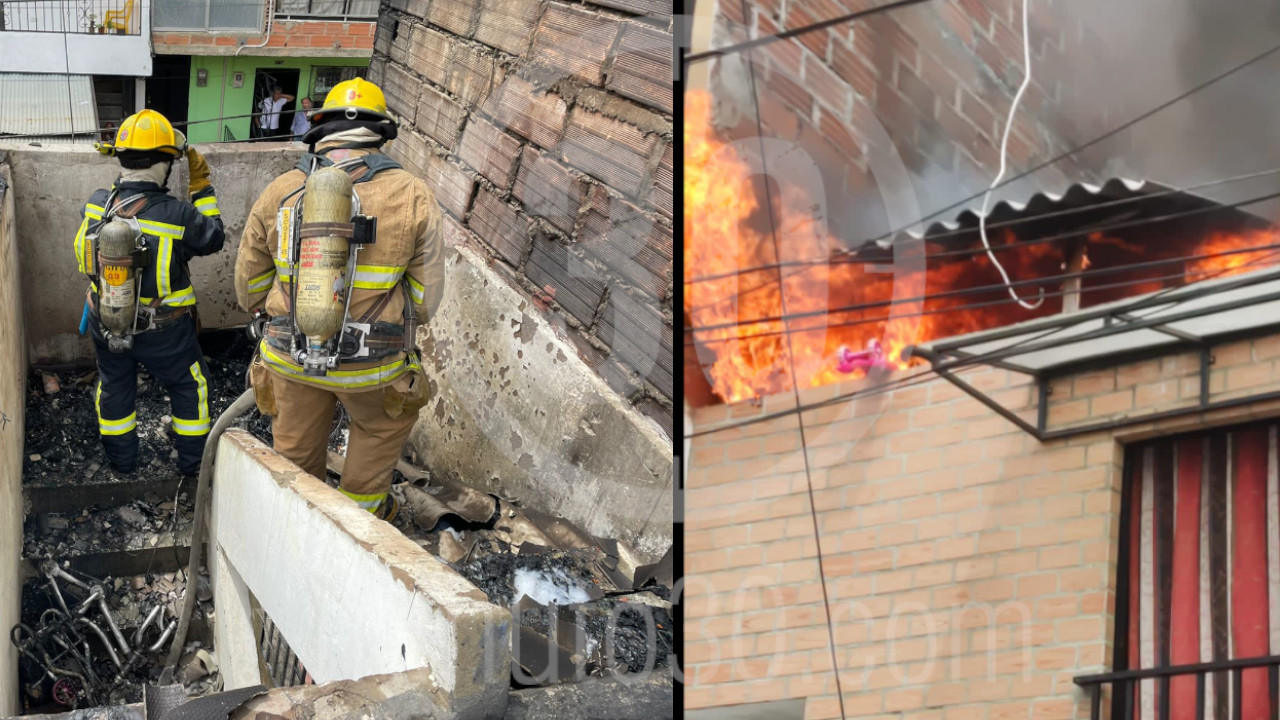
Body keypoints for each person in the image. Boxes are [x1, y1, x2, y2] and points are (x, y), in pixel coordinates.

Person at [235, 77, 443, 521]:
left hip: (290, 357)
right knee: (377, 438)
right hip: (375, 365)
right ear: (380, 133)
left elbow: (249, 288)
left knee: (293, 457)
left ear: (321, 129)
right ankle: (358, 526)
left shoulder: (281, 190)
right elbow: (425, 303)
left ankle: (300, 526)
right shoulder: (413, 195)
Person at [75, 109, 226, 478]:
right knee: (190, 387)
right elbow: (215, 237)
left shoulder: (97, 202)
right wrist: (202, 188)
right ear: (166, 162)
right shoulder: (178, 215)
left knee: (114, 388)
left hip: (106, 318)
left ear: (121, 159)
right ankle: (193, 470)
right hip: (165, 330)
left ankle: (122, 466)